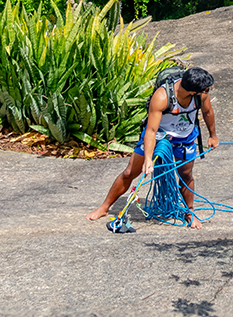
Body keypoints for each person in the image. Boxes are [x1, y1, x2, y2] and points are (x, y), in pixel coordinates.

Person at [87, 67, 218, 228]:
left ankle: (189, 211)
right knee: (130, 172)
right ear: (192, 91)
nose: (207, 91)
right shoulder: (163, 97)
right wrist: (148, 159)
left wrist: (213, 136)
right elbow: (151, 130)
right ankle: (105, 207)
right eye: (205, 89)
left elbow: (208, 112)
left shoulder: (202, 96)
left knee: (186, 175)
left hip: (185, 137)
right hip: (159, 136)